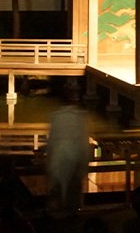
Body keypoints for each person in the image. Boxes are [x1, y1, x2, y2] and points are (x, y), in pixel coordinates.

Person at [46, 83, 89, 216]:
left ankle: (59, 213)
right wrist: (84, 164)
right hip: (73, 157)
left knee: (59, 191)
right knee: (72, 194)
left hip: (59, 158)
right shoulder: (79, 117)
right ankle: (71, 214)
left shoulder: (56, 116)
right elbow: (83, 142)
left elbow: (52, 140)